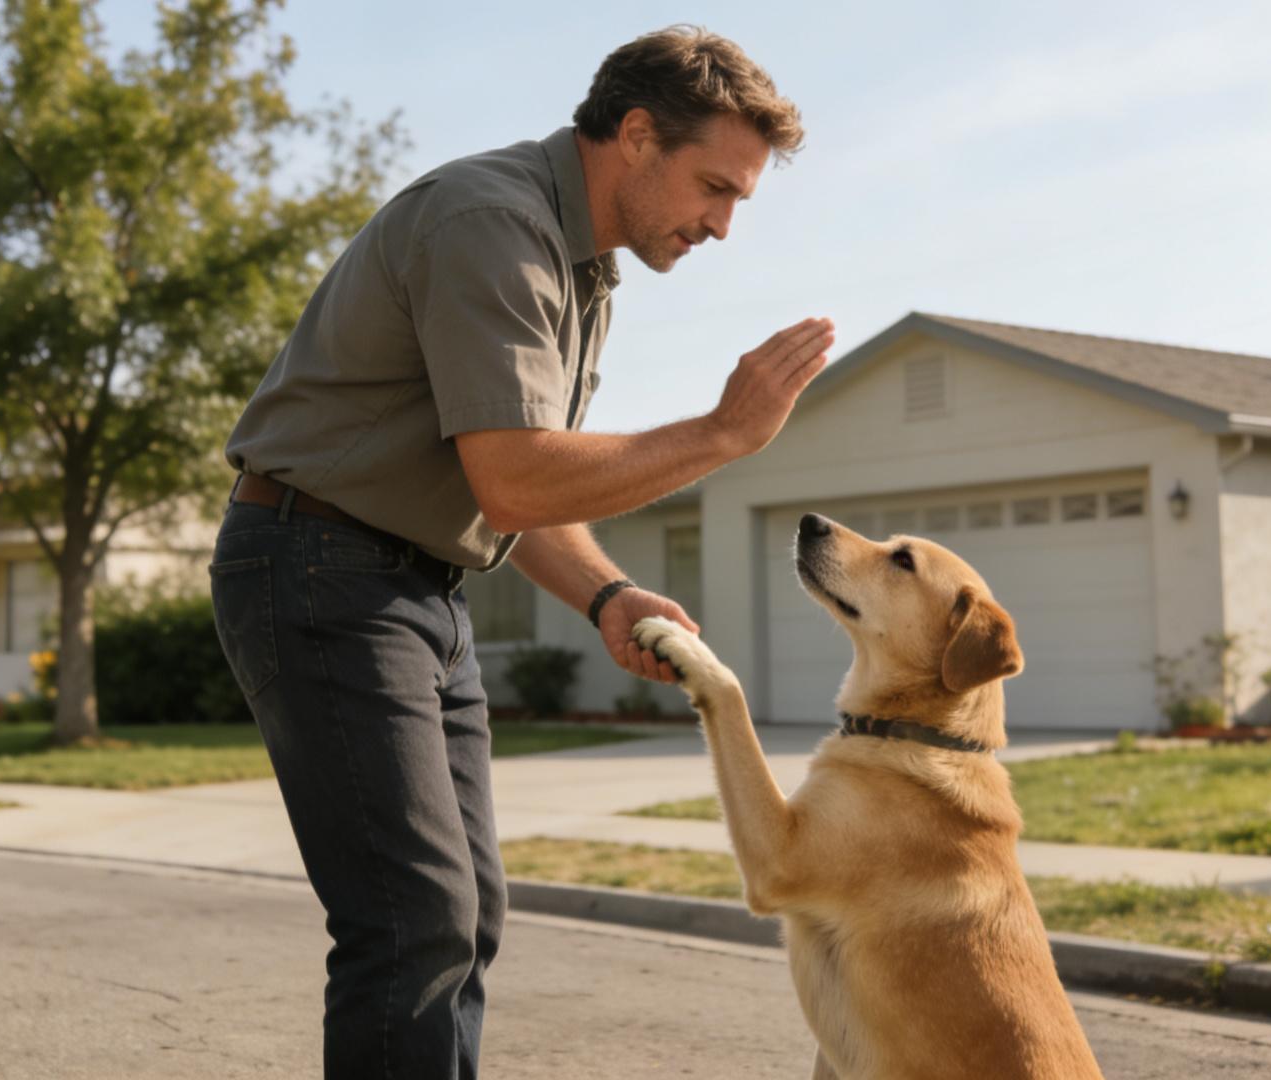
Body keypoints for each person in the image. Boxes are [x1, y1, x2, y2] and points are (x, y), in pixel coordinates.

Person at [210, 25, 830, 1079]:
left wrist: (608, 595)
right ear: (636, 134)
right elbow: (515, 475)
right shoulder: (491, 223)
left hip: (416, 590)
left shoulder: (577, 265)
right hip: (320, 569)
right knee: (414, 920)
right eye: (714, 188)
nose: (724, 225)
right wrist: (724, 433)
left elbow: (515, 489)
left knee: (465, 911)